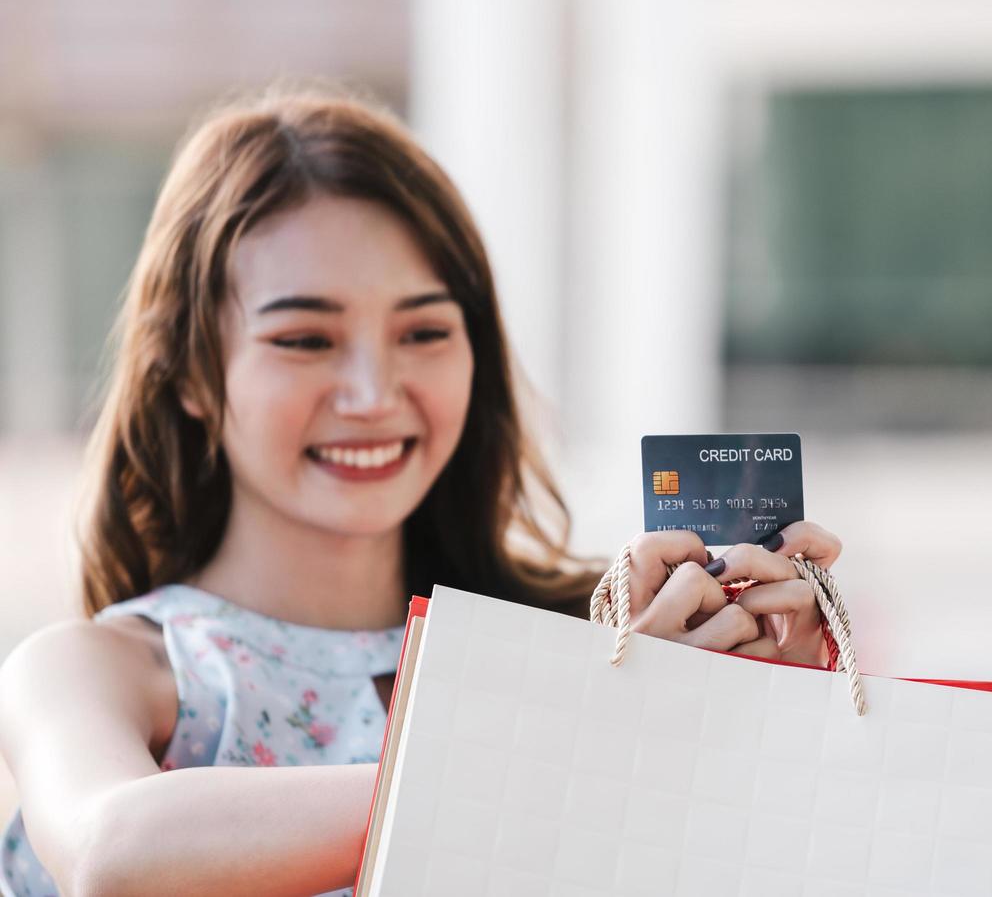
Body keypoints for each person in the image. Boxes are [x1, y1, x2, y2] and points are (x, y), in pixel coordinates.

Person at [0, 84, 843, 897]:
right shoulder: (99, 671)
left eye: (425, 332)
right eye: (304, 338)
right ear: (188, 368)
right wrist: (584, 737)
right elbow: (111, 851)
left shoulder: (588, 647)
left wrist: (771, 708)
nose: (373, 392)